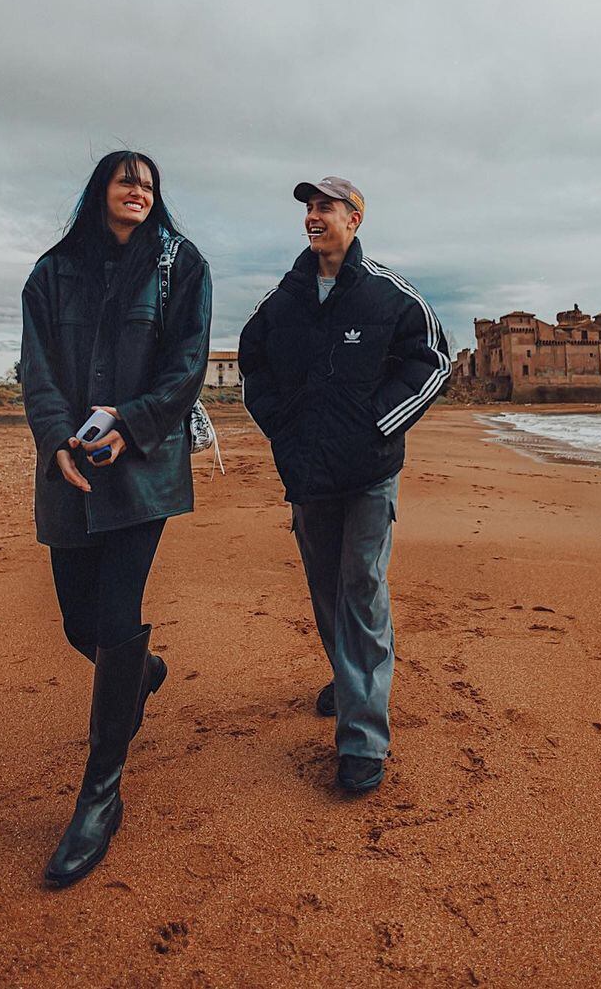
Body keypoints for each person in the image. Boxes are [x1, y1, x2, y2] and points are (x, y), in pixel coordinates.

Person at [21, 150, 211, 887]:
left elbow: (187, 364)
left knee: (116, 612)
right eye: (126, 178)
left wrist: (129, 421)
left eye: (150, 183)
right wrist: (55, 441)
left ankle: (100, 794)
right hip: (68, 468)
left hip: (143, 470)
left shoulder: (179, 264)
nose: (139, 189)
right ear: (100, 188)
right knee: (79, 624)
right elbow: (35, 368)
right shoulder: (52, 271)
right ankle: (145, 671)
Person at [238, 177, 448, 793]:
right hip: (307, 473)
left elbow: (432, 359)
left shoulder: (388, 294)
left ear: (355, 219)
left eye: (326, 206)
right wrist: (280, 426)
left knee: (361, 589)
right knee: (326, 589)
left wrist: (378, 425)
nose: (313, 215)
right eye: (308, 207)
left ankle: (362, 740)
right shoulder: (284, 299)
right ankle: (349, 674)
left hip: (368, 473)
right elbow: (254, 365)